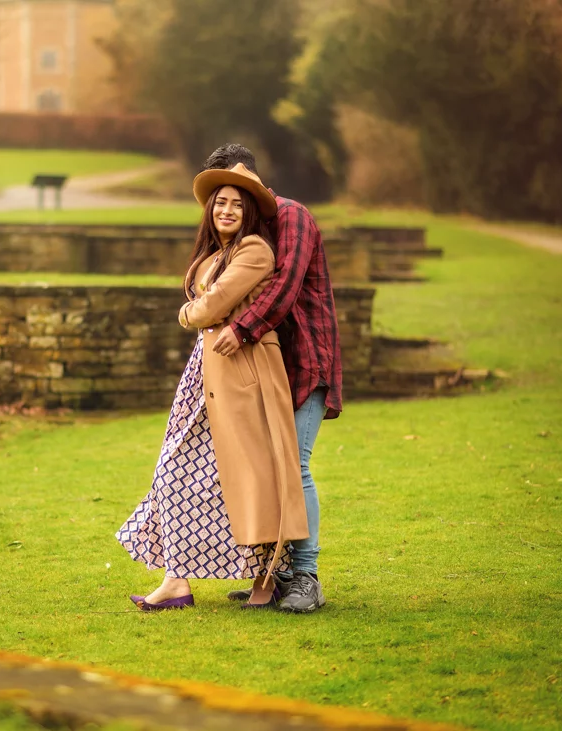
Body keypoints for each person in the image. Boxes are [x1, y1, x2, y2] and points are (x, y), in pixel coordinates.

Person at [116, 164, 309, 611]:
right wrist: (198, 308)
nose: (226, 210)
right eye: (220, 202)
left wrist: (187, 313)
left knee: (253, 474)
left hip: (246, 372)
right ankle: (176, 580)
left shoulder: (256, 251)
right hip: (206, 373)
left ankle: (266, 579)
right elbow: (207, 301)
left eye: (236, 205)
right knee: (175, 471)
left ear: (249, 214)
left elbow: (210, 308)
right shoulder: (213, 255)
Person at [204, 144, 342, 614]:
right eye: (220, 196)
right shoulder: (248, 233)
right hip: (268, 368)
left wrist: (240, 329)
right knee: (267, 469)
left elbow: (284, 289)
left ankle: (307, 576)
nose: (228, 203)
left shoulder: (292, 216)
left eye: (236, 190)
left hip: (307, 359)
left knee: (295, 466)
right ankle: (274, 575)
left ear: (252, 179)